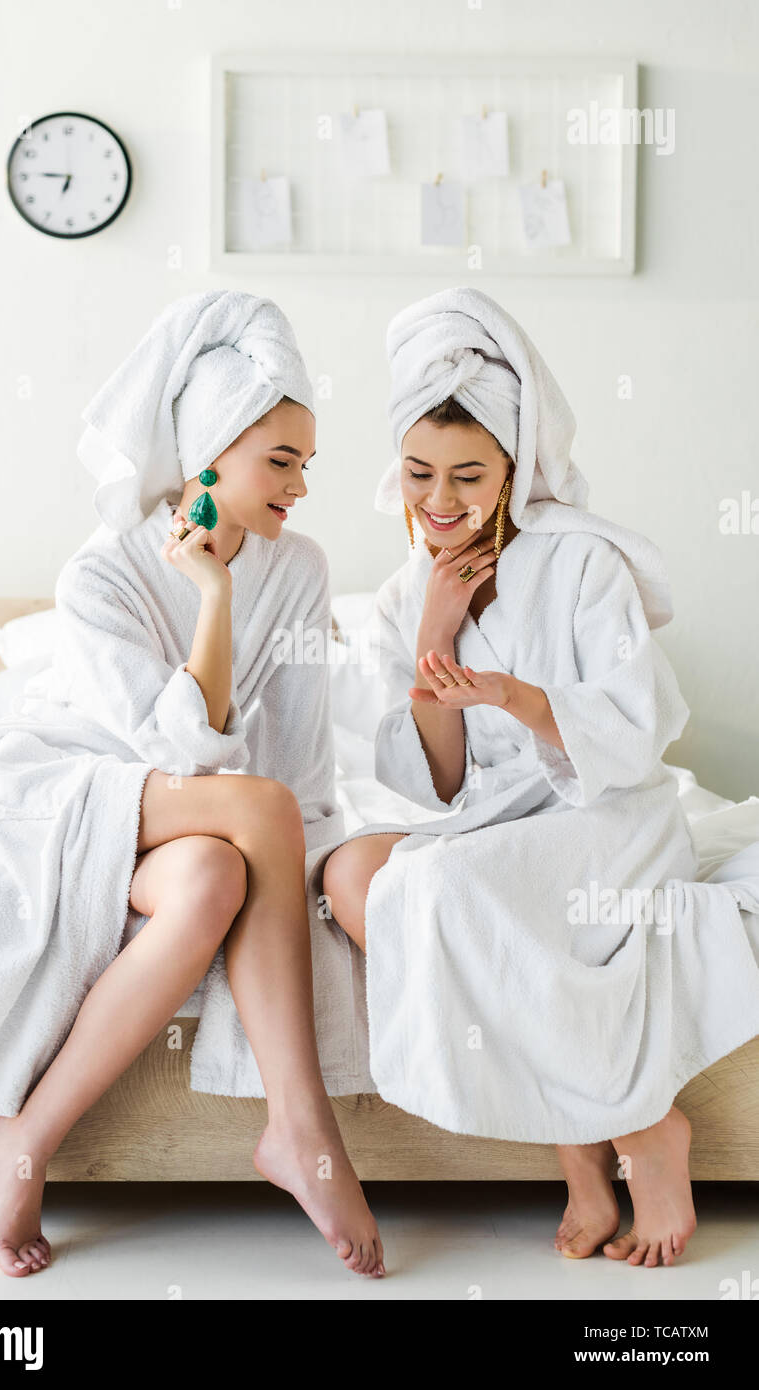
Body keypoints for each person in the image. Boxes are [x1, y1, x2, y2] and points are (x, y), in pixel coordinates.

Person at [0, 290, 384, 1280]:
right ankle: (302, 1124)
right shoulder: (99, 575)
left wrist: (312, 878)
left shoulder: (302, 569)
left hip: (192, 822)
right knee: (253, 813)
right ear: (210, 450)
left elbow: (294, 770)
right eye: (279, 460)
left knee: (212, 879)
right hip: (62, 786)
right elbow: (197, 761)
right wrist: (211, 596)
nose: (299, 485)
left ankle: (25, 1138)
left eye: (305, 463)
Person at [322, 287, 759, 1268]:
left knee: (435, 889)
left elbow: (637, 733)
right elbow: (432, 785)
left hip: (601, 815)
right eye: (419, 473)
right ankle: (589, 1133)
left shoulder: (583, 565)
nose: (440, 501)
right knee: (354, 874)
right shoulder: (402, 594)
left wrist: (517, 696)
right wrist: (434, 636)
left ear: (515, 466)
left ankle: (632, 1136)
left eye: (468, 475)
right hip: (488, 825)